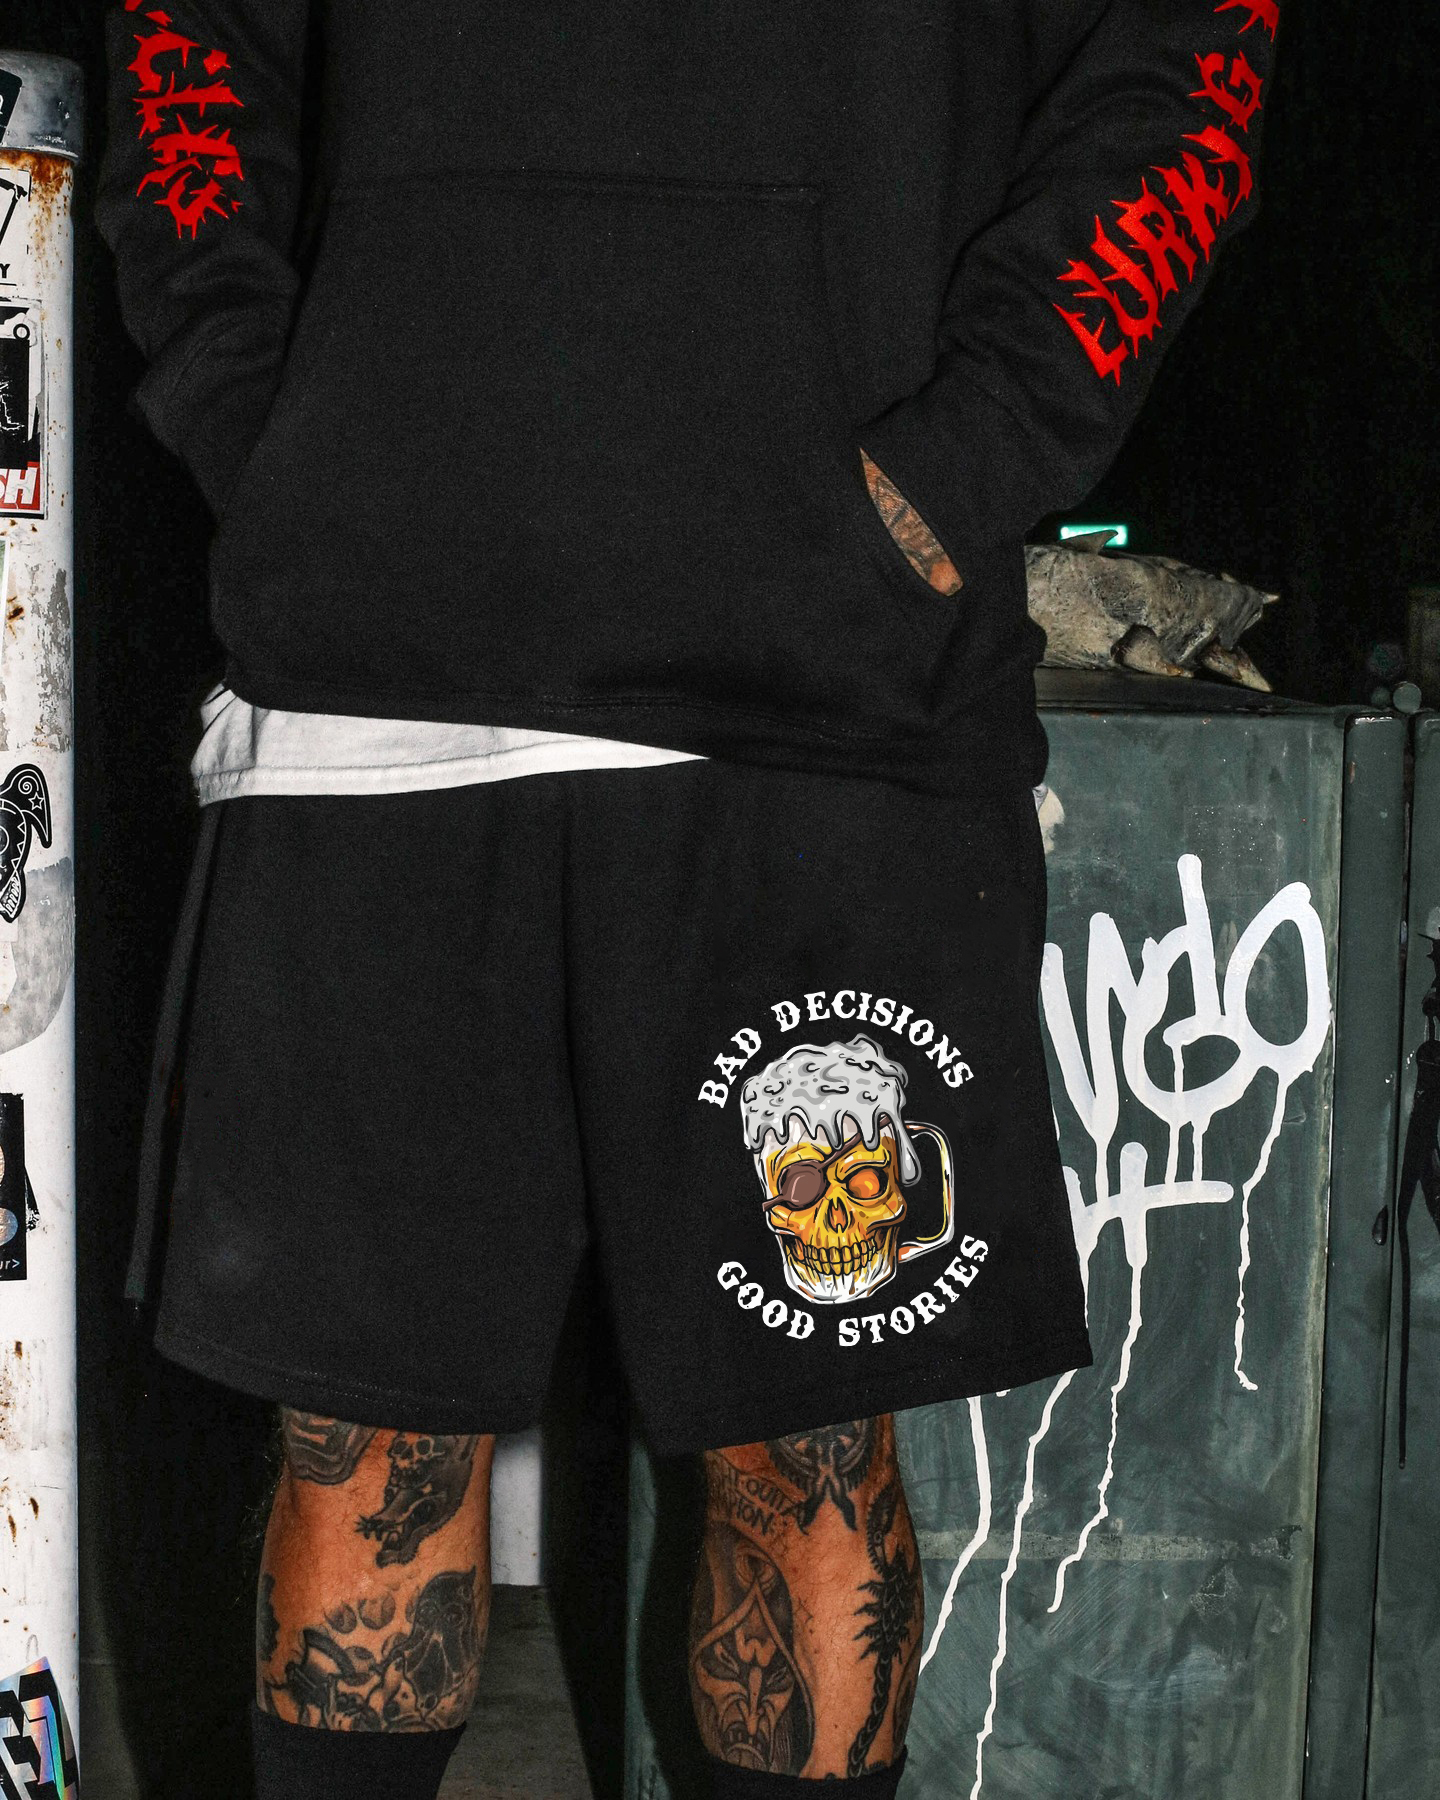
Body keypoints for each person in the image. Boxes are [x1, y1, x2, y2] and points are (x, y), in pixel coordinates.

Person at [96, 0, 1278, 1794]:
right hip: (379, 674)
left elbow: (1190, 56)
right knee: (365, 1446)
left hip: (829, 691)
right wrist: (272, 426)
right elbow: (183, 37)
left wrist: (968, 454)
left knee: (806, 1451)